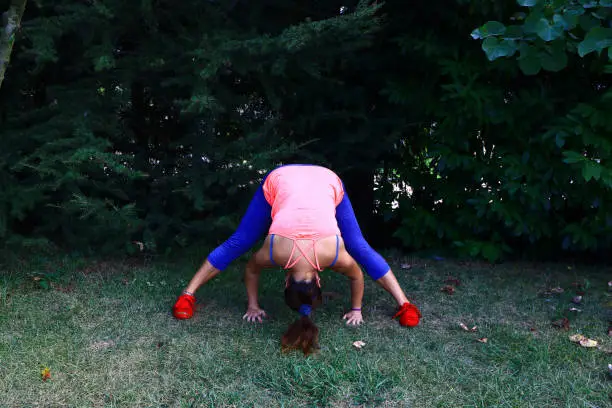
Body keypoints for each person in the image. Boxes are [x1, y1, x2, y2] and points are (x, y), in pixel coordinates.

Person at [172, 165, 421, 343]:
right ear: (288, 281)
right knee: (359, 246)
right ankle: (405, 305)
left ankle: (187, 296)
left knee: (240, 241)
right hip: (321, 178)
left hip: (292, 178)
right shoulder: (280, 253)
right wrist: (356, 310)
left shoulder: (332, 256)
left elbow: (250, 269)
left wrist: (253, 305)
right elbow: (357, 277)